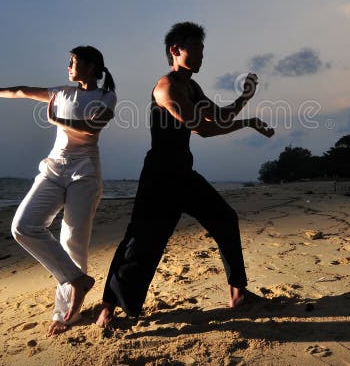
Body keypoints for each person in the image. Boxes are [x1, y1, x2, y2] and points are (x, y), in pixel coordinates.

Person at [96, 22, 274, 327]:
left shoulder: (191, 86)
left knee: (225, 218)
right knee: (140, 242)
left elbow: (216, 114)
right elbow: (203, 128)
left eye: (203, 47)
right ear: (175, 50)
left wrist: (245, 99)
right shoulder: (166, 88)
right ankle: (107, 311)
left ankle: (238, 293)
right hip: (160, 177)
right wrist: (247, 123)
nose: (202, 53)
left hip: (183, 172)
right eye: (196, 47)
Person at [0, 46, 116, 336]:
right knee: (23, 227)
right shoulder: (62, 92)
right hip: (53, 170)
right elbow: (22, 91)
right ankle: (77, 280)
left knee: (72, 241)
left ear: (91, 67)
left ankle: (65, 314)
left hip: (85, 173)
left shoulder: (106, 96)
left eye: (74, 62)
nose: (68, 66)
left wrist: (56, 121)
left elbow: (92, 128)